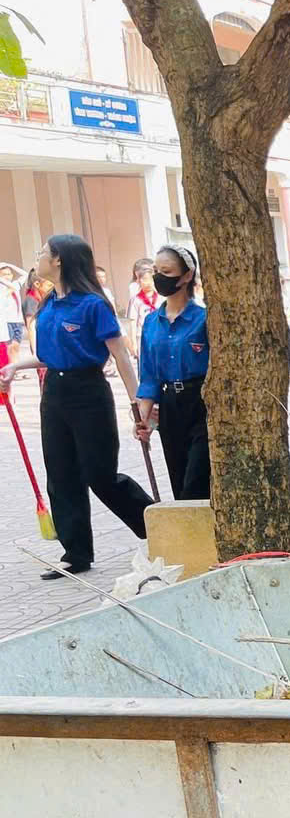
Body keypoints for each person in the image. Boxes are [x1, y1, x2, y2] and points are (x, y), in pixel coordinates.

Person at [0, 234, 152, 577]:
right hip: (54, 392)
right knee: (62, 474)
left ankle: (155, 523)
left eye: (43, 253)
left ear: (59, 261)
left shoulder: (93, 305)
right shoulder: (49, 303)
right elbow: (46, 355)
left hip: (89, 393)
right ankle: (76, 553)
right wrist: (13, 366)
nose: (37, 258)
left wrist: (137, 403)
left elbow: (121, 356)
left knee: (99, 474)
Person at [133, 246, 209, 501]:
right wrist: (143, 419)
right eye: (156, 271)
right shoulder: (152, 323)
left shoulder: (205, 318)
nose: (158, 277)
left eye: (166, 271)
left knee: (196, 482)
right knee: (178, 481)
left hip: (203, 404)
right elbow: (150, 376)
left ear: (186, 276)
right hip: (170, 407)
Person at [126, 259, 157, 359]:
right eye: (144, 279)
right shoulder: (136, 300)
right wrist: (134, 343)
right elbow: (133, 322)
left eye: (150, 279)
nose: (148, 282)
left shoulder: (161, 297)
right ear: (138, 281)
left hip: (159, 334)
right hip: (142, 336)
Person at [0, 264, 24, 366]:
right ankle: (12, 367)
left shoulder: (15, 284)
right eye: (4, 274)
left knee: (17, 346)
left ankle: (16, 367)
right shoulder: (2, 288)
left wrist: (10, 265)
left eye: (9, 274)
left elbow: (25, 274)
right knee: (10, 347)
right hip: (7, 321)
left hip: (17, 320)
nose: (8, 276)